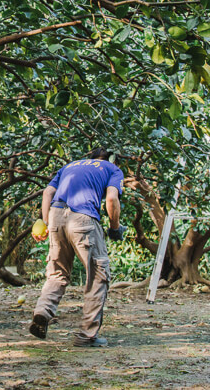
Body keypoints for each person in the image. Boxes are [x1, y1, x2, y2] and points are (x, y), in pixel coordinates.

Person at [29, 147, 126, 347]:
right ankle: (86, 335)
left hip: (56, 215)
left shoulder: (70, 166)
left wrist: (46, 224)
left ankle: (43, 311)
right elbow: (111, 198)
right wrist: (115, 227)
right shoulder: (112, 169)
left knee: (57, 273)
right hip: (83, 218)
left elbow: (48, 193)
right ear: (111, 159)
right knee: (98, 275)